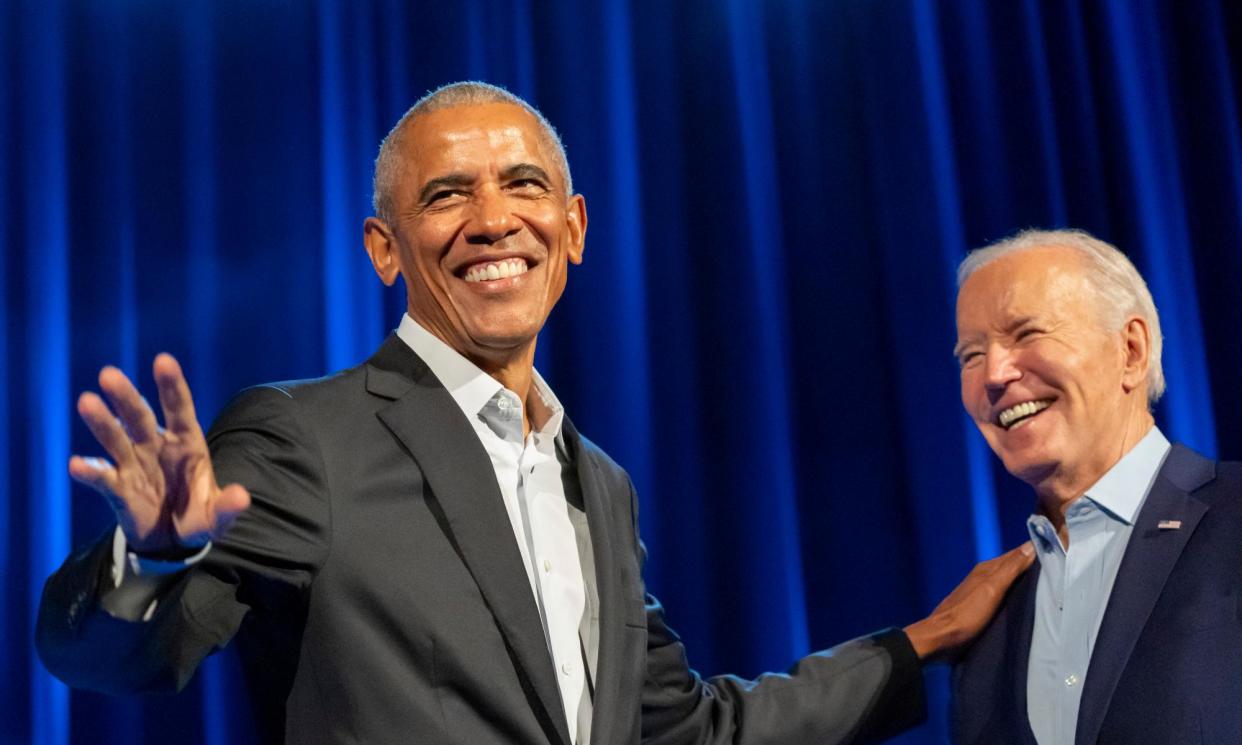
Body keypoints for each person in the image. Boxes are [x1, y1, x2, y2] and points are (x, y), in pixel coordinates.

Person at [37, 81, 1032, 745]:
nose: (494, 218)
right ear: (387, 250)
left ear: (574, 228)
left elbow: (683, 729)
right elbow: (123, 658)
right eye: (446, 196)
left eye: (523, 185)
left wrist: (921, 643)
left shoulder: (597, 482)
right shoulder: (309, 438)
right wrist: (157, 559)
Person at [950, 228, 1242, 745]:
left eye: (1026, 333)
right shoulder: (984, 626)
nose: (994, 374)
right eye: (971, 355)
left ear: (1130, 350)